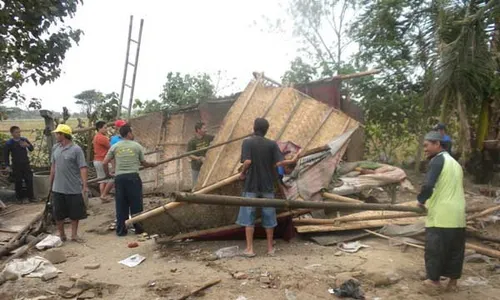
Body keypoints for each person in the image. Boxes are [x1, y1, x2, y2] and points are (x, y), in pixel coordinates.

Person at [236, 118, 296, 257]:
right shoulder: (271, 144)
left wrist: (243, 173)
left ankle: (250, 249)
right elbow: (279, 163)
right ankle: (270, 248)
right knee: (269, 215)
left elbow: (248, 161)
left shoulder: (247, 142)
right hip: (268, 185)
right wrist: (293, 160)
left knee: (248, 216)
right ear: (266, 130)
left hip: (251, 185)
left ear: (254, 127)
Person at [417, 131, 466, 292]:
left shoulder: (438, 161)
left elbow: (429, 185)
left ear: (437, 144)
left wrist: (421, 200)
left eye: (426, 145)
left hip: (441, 214)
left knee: (435, 249)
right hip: (458, 215)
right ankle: (452, 283)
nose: (425, 149)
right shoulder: (455, 163)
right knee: (455, 249)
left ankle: (434, 281)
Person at [102, 124, 157, 236]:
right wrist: (152, 164)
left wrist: (108, 174)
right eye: (132, 132)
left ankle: (121, 231)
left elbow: (104, 162)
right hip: (133, 177)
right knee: (136, 204)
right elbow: (143, 163)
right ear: (128, 134)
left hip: (120, 178)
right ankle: (139, 229)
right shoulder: (137, 146)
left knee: (121, 205)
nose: (133, 134)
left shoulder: (115, 146)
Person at [49, 124, 88, 242]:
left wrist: (84, 185)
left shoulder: (76, 149)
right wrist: (50, 184)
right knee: (58, 213)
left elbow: (83, 168)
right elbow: (53, 167)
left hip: (73, 187)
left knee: (75, 213)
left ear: (63, 135)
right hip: (58, 187)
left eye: (57, 133)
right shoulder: (55, 148)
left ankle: (74, 235)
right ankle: (61, 235)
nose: (56, 135)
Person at [3, 126, 35, 202]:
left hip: (26, 164)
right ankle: (19, 198)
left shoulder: (24, 140)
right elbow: (6, 155)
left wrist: (27, 145)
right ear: (12, 133)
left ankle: (31, 197)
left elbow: (31, 149)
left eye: (19, 132)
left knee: (29, 180)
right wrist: (7, 166)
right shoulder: (9, 143)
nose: (19, 133)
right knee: (18, 181)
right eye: (16, 132)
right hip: (16, 165)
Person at [187, 122, 214, 186]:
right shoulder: (192, 141)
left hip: (207, 165)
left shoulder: (208, 137)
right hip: (196, 166)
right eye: (204, 128)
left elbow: (219, 137)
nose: (206, 130)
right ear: (198, 130)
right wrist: (199, 158)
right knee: (196, 183)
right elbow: (189, 154)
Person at [92, 120, 113, 202]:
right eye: (105, 128)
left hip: (97, 160)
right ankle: (104, 195)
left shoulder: (96, 137)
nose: (106, 129)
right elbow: (111, 148)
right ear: (99, 128)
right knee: (112, 178)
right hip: (103, 160)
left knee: (102, 180)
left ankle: (103, 196)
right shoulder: (102, 138)